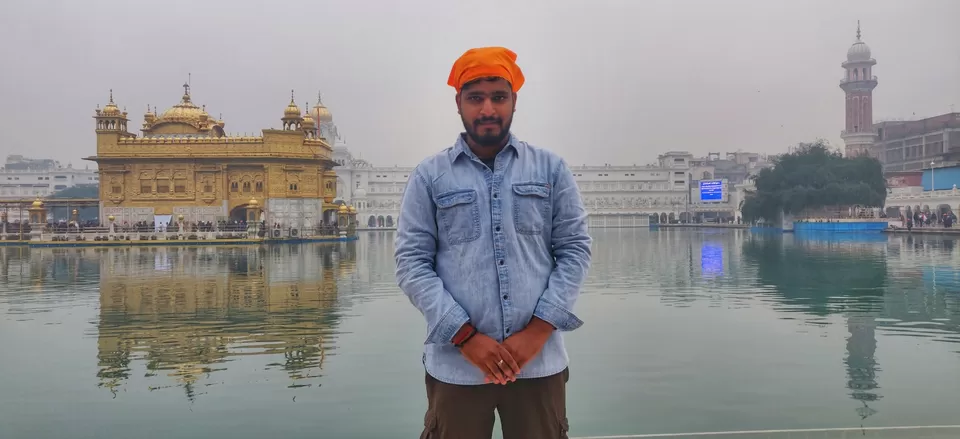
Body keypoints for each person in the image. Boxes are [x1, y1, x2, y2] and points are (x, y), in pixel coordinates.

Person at [395, 46, 592, 439]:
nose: (488, 109)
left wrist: (536, 332)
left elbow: (575, 249)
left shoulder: (549, 169)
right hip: (458, 366)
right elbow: (412, 264)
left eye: (498, 97)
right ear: (459, 104)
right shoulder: (431, 176)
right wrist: (465, 337)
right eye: (475, 98)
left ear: (514, 101)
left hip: (537, 364)